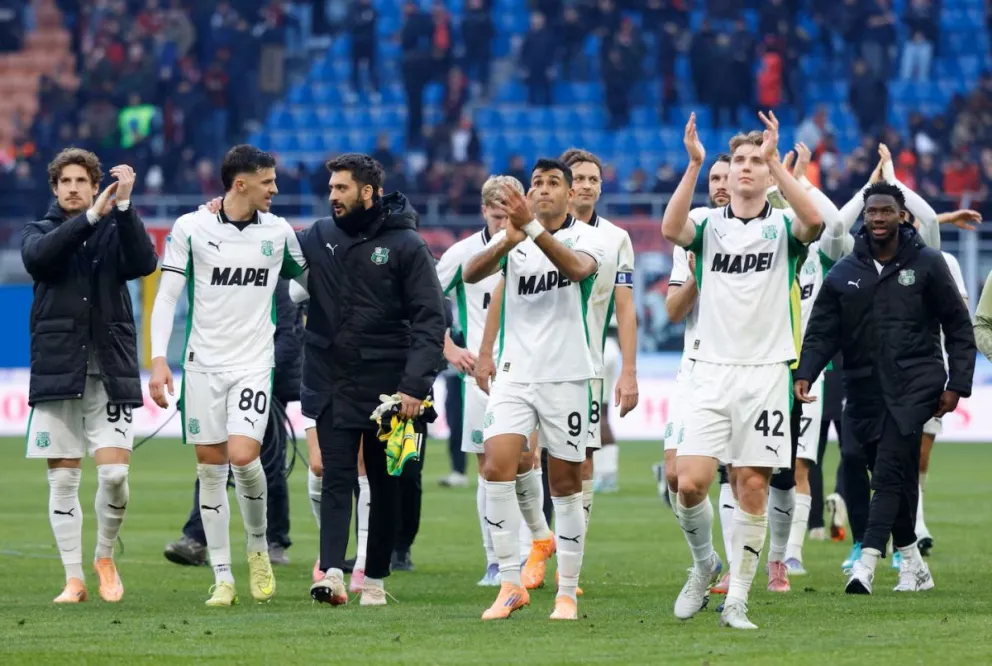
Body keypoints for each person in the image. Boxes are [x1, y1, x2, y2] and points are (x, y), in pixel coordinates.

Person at [661, 112, 823, 630]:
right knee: (688, 484)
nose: (747, 169)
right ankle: (705, 563)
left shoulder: (783, 230)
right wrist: (693, 166)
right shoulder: (708, 226)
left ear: (769, 174)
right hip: (709, 369)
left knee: (750, 484)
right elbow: (670, 228)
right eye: (740, 163)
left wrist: (780, 163)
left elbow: (816, 224)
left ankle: (737, 600)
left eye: (757, 162)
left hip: (765, 373)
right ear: (726, 177)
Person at [795, 182, 975, 595]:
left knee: (891, 468)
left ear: (901, 216)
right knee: (867, 461)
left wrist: (957, 383)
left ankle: (867, 562)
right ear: (865, 217)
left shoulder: (929, 264)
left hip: (916, 384)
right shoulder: (844, 272)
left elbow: (958, 326)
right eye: (871, 211)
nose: (878, 218)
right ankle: (912, 560)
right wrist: (806, 371)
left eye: (886, 211)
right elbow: (822, 331)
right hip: (862, 388)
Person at [148, 145, 309, 607]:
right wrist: (160, 359)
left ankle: (258, 545)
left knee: (244, 456)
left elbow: (310, 279)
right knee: (211, 468)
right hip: (202, 365)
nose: (276, 189)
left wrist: (302, 314)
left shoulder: (278, 232)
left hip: (254, 364)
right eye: (268, 181)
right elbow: (167, 296)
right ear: (241, 184)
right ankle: (222, 576)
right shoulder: (191, 227)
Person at [464, 158, 606, 621]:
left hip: (567, 376)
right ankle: (509, 582)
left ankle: (566, 591)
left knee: (564, 484)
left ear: (569, 194)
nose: (543, 190)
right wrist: (512, 234)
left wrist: (533, 232)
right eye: (537, 183)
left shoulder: (587, 237)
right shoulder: (516, 241)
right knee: (496, 466)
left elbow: (577, 271)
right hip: (515, 374)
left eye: (552, 184)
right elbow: (470, 273)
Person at [301, 153, 446, 607]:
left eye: (341, 189)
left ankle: (377, 579)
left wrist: (414, 387)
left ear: (367, 191)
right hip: (333, 379)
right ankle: (331, 574)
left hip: (392, 389)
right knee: (336, 478)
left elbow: (430, 320)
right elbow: (268, 250)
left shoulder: (407, 244)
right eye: (330, 189)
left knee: (388, 483)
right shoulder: (319, 236)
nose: (332, 197)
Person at [22, 150, 157, 603]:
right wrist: (92, 218)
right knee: (63, 481)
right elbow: (40, 259)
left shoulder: (115, 228)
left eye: (83, 180)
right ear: (55, 188)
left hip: (110, 367)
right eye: (66, 181)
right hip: (59, 367)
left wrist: (123, 208)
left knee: (115, 475)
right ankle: (73, 579)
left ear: (96, 184)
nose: (74, 188)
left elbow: (143, 263)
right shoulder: (40, 231)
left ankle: (103, 556)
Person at [163, 278, 304, 568]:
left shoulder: (276, 282)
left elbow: (288, 339)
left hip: (265, 382)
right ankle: (197, 539)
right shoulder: (224, 283)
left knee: (267, 463)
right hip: (221, 379)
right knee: (212, 459)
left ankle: (274, 541)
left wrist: (254, 375)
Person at [435, 174, 523, 586]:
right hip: (481, 377)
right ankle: (496, 559)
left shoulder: (538, 244)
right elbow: (424, 302)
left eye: (510, 214)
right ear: (484, 211)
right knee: (489, 468)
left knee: (526, 463)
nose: (505, 222)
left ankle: (528, 554)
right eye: (497, 214)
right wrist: (450, 348)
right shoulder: (464, 253)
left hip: (530, 371)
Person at [559, 148, 639, 516]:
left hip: (587, 364)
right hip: (531, 364)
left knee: (582, 461)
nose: (586, 186)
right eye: (579, 178)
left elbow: (624, 308)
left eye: (594, 179)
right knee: (521, 460)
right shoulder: (536, 233)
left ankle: (571, 556)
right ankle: (525, 547)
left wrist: (628, 371)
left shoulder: (616, 238)